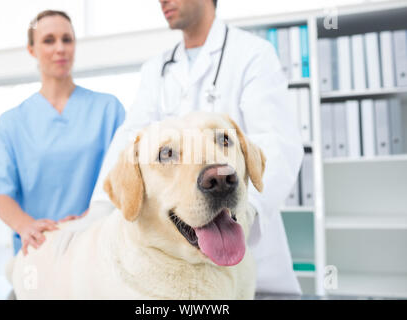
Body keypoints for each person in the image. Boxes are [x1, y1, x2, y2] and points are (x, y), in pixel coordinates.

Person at [91, 0, 305, 295]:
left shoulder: (253, 54)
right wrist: (94, 215)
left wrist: (244, 211)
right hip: (169, 271)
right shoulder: (157, 68)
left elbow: (276, 142)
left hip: (253, 266)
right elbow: (130, 141)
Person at [0, 10, 125, 256]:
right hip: (38, 249)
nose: (60, 48)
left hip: (96, 245)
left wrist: (99, 211)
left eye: (67, 39)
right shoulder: (12, 122)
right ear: (31, 49)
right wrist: (25, 225)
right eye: (48, 40)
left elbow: (128, 174)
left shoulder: (109, 109)